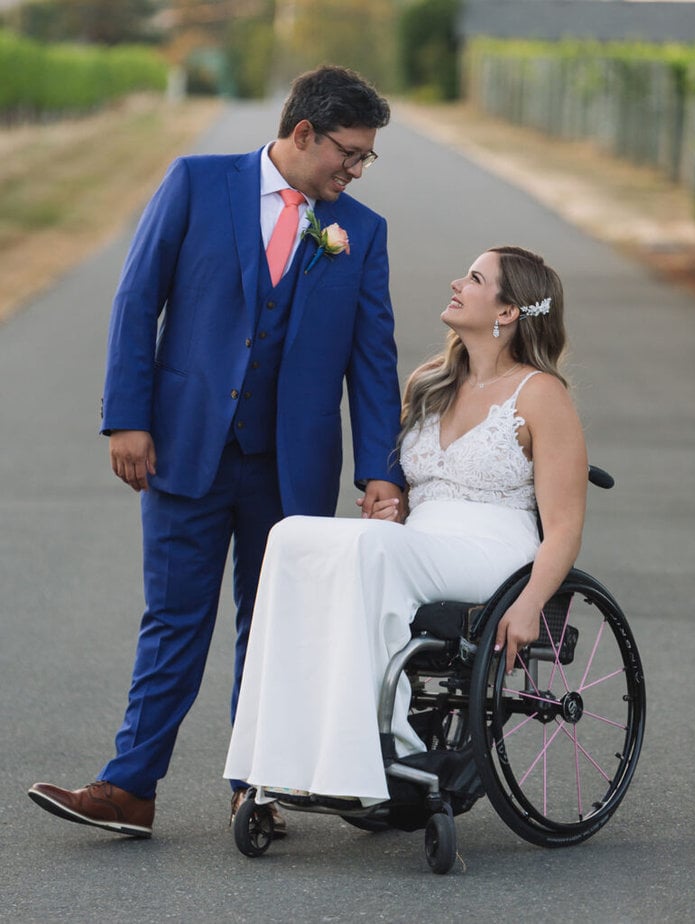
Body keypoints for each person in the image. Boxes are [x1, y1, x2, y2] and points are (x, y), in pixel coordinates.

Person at [27, 66, 405, 838]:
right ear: (303, 133)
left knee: (270, 627)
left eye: (367, 159)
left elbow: (372, 360)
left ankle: (255, 787)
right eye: (351, 152)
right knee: (173, 619)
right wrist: (127, 418)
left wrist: (378, 472)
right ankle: (129, 788)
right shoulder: (196, 184)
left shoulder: (360, 233)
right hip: (184, 446)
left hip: (289, 464)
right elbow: (138, 298)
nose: (357, 169)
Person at [223, 245, 588, 807]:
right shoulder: (431, 382)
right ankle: (277, 758)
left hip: (493, 548)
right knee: (289, 535)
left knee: (375, 552)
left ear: (508, 311)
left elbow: (564, 527)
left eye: (473, 278)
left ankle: (385, 744)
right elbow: (411, 495)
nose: (456, 283)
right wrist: (396, 512)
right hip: (421, 541)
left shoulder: (540, 395)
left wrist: (529, 603)